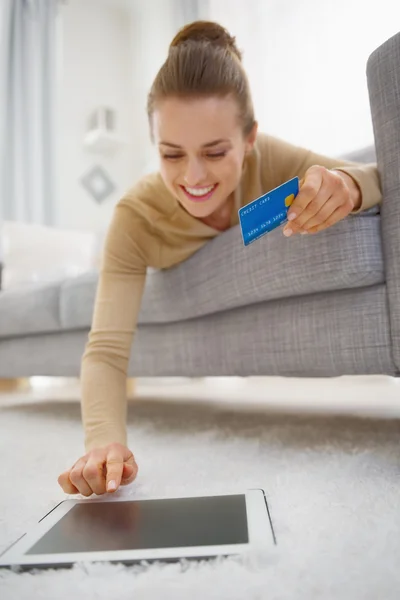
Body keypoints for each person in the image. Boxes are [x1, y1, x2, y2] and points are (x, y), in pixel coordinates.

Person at [58, 21, 382, 498]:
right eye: (171, 154)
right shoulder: (134, 216)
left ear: (249, 139)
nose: (193, 177)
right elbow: (105, 350)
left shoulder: (267, 158)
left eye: (214, 152)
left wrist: (347, 188)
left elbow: (369, 175)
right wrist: (103, 441)